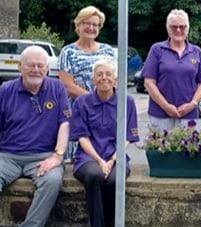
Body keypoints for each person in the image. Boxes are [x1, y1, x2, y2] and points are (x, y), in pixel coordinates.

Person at [0, 46, 70, 227]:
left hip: (42, 157)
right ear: (20, 67)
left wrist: (57, 155)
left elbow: (65, 123)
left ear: (47, 69)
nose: (36, 70)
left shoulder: (57, 88)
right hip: (8, 157)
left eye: (40, 65)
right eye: (30, 65)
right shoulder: (5, 91)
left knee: (52, 182)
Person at [70, 58, 140, 227]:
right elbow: (82, 137)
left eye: (108, 74)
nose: (104, 78)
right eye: (99, 74)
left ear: (115, 78)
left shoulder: (127, 102)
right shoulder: (82, 102)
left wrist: (112, 160)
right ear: (93, 79)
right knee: (95, 176)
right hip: (88, 158)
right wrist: (101, 162)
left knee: (115, 180)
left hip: (117, 156)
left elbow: (128, 137)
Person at [58, 5, 115, 162]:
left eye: (95, 24)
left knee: (103, 150)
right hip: (78, 109)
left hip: (105, 108)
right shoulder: (68, 52)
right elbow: (67, 86)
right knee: (77, 158)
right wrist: (93, 99)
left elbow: (114, 80)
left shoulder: (108, 51)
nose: (91, 27)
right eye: (87, 23)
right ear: (78, 26)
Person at [142, 9, 201, 131]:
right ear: (168, 29)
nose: (178, 30)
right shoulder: (157, 50)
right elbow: (149, 82)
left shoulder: (196, 51)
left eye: (182, 27)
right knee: (160, 149)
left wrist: (193, 104)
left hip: (188, 115)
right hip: (160, 114)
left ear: (188, 28)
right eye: (174, 27)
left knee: (187, 149)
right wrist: (166, 106)